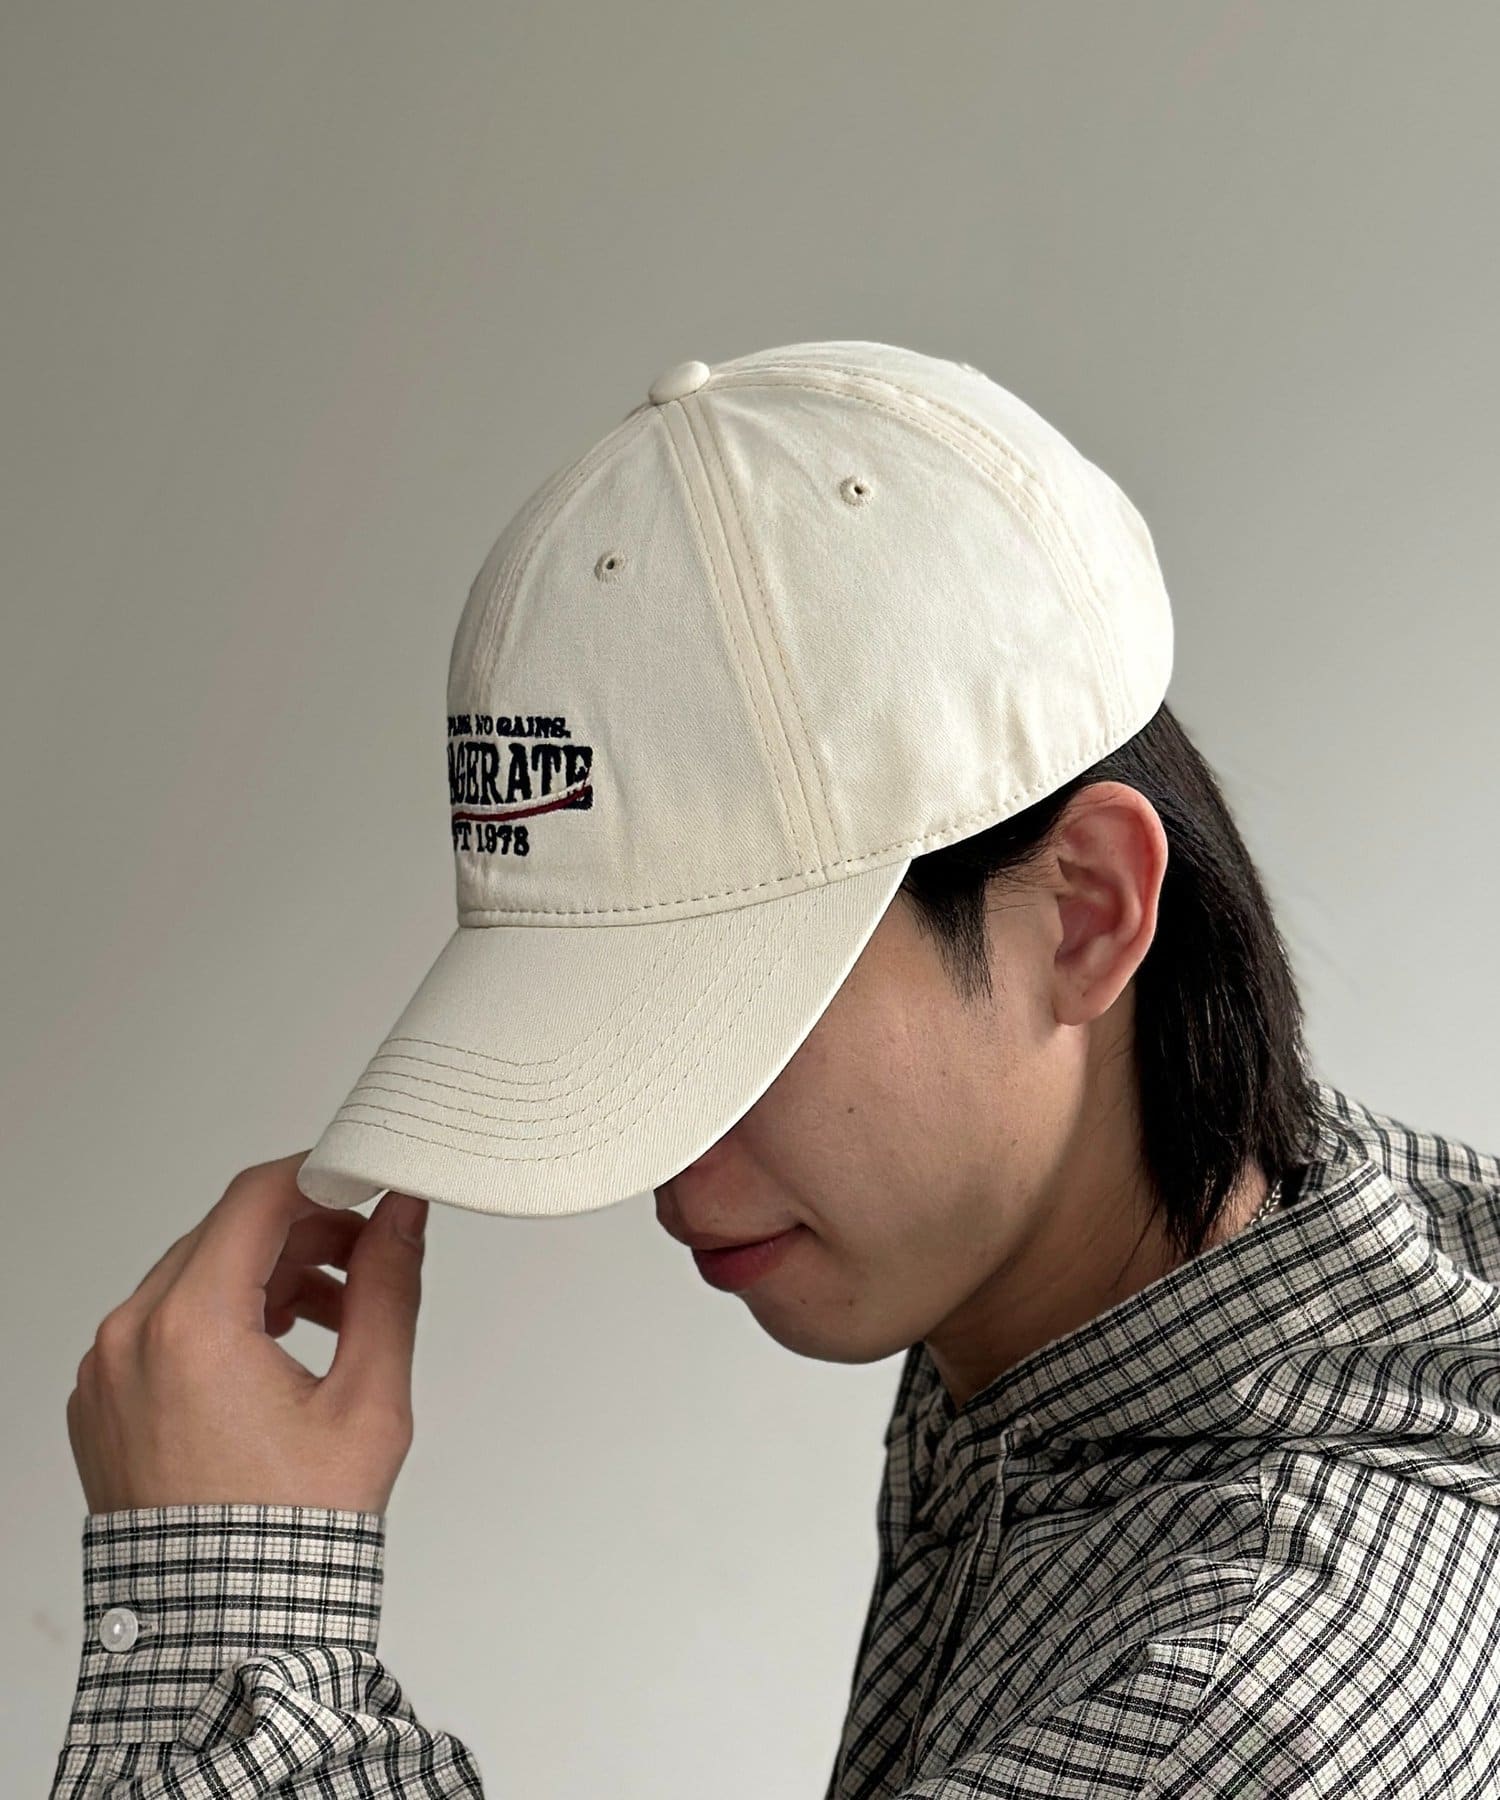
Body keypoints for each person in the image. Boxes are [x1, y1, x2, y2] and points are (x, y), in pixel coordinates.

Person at [52, 343, 1500, 1796]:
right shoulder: (1104, 1315)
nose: (671, 1179)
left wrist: (226, 1622)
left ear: (1085, 911)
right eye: (599, 1051)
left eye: (739, 1026)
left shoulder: (1262, 1703)